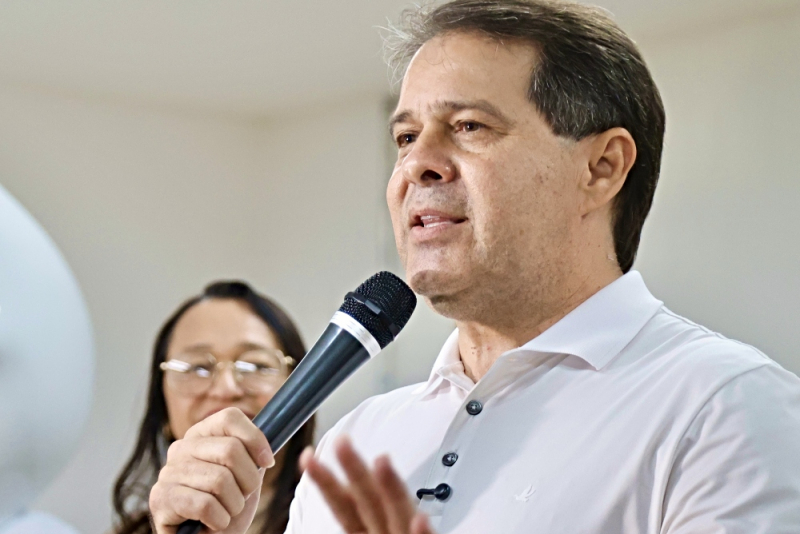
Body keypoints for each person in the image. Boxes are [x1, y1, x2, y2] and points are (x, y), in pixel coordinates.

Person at [148, 1, 800, 533]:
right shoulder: (358, 442)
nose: (416, 165)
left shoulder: (726, 408)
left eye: (469, 127)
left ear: (601, 168)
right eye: (406, 137)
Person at [112, 281, 313, 534]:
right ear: (162, 409)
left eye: (256, 366)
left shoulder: (338, 518)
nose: (226, 389)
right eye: (198, 368)